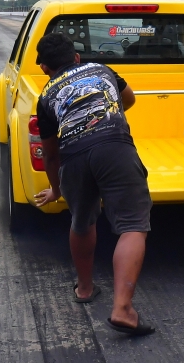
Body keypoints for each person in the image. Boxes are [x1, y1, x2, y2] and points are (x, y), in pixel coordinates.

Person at [33, 33, 155, 336]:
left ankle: (85, 289)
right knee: (131, 225)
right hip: (114, 147)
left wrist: (57, 190)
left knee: (81, 221)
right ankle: (123, 309)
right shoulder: (101, 69)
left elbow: (50, 154)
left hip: (73, 156)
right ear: (76, 58)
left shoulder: (45, 97)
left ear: (44, 68)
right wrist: (104, 116)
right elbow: (129, 99)